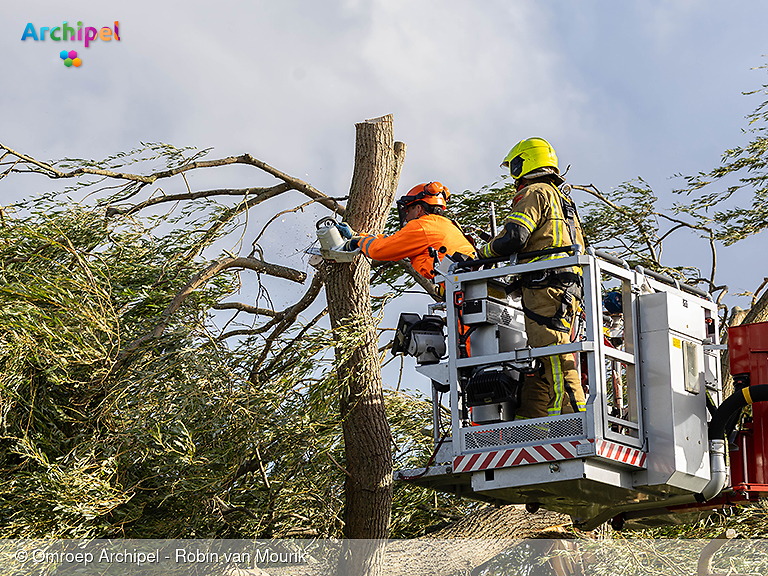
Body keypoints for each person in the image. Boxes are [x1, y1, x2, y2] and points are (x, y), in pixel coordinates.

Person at [479, 137, 586, 418]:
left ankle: (571, 422)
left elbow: (515, 237)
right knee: (550, 359)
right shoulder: (563, 200)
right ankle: (549, 419)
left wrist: (483, 251)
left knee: (555, 359)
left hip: (545, 290)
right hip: (565, 288)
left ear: (524, 162)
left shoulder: (535, 192)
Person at [344, 181, 476, 280]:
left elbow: (379, 250)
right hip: (467, 286)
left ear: (418, 209)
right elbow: (394, 242)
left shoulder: (421, 226)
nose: (406, 216)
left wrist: (359, 241)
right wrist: (361, 236)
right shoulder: (447, 225)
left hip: (462, 288)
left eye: (409, 210)